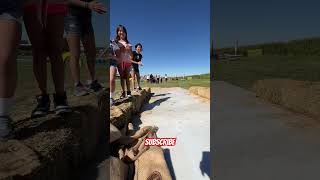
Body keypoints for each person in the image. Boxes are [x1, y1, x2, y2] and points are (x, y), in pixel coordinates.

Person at [23, 1, 73, 118]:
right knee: (38, 50)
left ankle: (60, 97)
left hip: (54, 3)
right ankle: (42, 98)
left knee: (55, 49)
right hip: (31, 4)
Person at [64, 0, 106, 96]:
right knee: (75, 53)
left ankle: (91, 82)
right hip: (72, 16)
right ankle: (77, 85)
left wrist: (95, 5)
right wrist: (88, 5)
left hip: (86, 17)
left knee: (91, 51)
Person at [115, 25, 133, 99]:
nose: (121, 32)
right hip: (120, 62)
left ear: (125, 33)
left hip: (128, 62)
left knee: (127, 77)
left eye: (122, 31)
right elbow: (115, 53)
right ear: (117, 32)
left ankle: (129, 92)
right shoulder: (115, 42)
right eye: (119, 31)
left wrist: (129, 50)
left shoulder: (128, 43)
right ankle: (123, 92)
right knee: (122, 77)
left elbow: (132, 55)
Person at [109, 39, 120, 106]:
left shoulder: (113, 43)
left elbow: (118, 58)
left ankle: (111, 97)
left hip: (112, 63)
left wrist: (112, 56)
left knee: (111, 80)